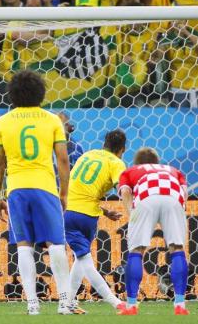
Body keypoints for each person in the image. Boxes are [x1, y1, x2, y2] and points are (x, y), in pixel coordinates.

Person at [0, 70, 73, 315]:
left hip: (17, 190)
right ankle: (65, 301)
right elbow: (63, 160)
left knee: (24, 247)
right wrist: (64, 193)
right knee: (56, 244)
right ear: (41, 92)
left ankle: (32, 304)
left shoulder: (2, 122)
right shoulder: (51, 120)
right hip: (45, 188)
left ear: (12, 94)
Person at [119, 147, 189, 315]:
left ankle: (131, 305)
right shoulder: (174, 170)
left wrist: (132, 214)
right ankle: (180, 304)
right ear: (157, 162)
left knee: (137, 251)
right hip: (173, 199)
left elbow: (126, 191)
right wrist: (180, 209)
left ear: (137, 162)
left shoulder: (131, 171)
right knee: (177, 249)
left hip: (146, 197)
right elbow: (184, 192)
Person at [64, 129, 127, 314]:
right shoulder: (117, 162)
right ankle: (116, 303)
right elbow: (121, 189)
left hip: (71, 212)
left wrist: (105, 211)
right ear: (122, 149)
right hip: (87, 216)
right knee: (86, 261)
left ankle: (68, 303)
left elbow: (79, 187)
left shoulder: (87, 155)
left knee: (81, 259)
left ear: (104, 143)